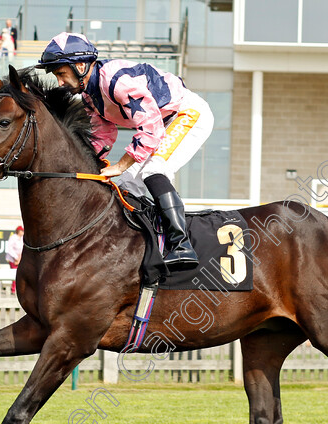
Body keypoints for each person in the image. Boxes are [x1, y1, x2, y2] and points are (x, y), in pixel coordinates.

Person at [37, 32, 214, 271]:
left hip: (187, 114)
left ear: (79, 66)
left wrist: (120, 164)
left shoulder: (116, 81)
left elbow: (150, 127)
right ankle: (152, 246)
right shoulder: (89, 94)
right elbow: (102, 135)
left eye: (61, 73)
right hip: (162, 123)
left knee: (153, 170)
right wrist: (91, 162)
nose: (59, 82)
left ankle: (182, 246)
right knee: (128, 185)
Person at [5, 225, 24, 294]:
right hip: (13, 259)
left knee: (19, 274)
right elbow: (10, 249)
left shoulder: (22, 238)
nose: (22, 232)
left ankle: (17, 288)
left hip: (20, 258)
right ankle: (13, 289)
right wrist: (16, 257)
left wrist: (20, 257)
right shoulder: (13, 238)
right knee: (14, 273)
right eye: (21, 231)